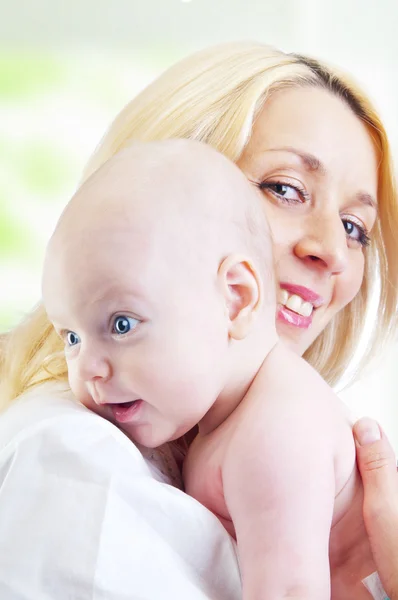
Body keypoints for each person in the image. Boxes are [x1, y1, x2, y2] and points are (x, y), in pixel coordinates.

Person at [0, 41, 397, 598]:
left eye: (355, 226)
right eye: (284, 188)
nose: (333, 249)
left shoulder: (259, 425)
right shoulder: (76, 457)